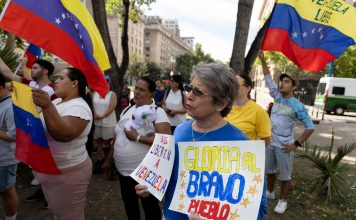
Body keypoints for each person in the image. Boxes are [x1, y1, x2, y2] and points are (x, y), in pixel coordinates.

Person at [136, 64, 267, 219]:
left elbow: (257, 210)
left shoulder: (243, 146)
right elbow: (171, 180)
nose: (189, 95)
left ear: (221, 103)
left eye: (198, 92)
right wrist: (151, 187)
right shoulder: (179, 131)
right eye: (190, 88)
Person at [103, 76, 171, 220]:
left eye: (142, 90)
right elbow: (117, 137)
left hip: (146, 173)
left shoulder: (157, 112)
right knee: (130, 206)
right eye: (137, 88)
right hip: (124, 173)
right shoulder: (127, 109)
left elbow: (166, 142)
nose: (137, 92)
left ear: (152, 94)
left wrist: (137, 138)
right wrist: (109, 160)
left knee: (150, 208)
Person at [31, 67, 93, 219]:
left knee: (70, 216)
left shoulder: (79, 107)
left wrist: (47, 106)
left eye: (60, 78)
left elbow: (64, 135)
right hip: (51, 171)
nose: (55, 82)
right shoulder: (58, 101)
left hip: (68, 174)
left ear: (74, 83)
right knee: (58, 213)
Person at [259, 52, 314, 214]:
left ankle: (283, 200)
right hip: (270, 143)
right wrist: (262, 60)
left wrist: (296, 144)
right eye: (281, 81)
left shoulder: (297, 106)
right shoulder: (276, 96)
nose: (282, 84)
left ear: (294, 86)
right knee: (269, 171)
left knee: (285, 176)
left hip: (284, 147)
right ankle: (270, 191)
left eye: (286, 81)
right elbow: (268, 77)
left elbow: (310, 126)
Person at [0, 57, 56, 205]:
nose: (32, 70)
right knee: (38, 169)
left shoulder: (54, 90)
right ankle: (45, 194)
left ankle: (50, 197)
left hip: (47, 135)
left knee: (46, 167)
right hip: (31, 133)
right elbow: (7, 73)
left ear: (45, 71)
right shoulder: (31, 84)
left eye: (35, 68)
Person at [225, 73, 270, 219]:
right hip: (223, 162)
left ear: (248, 88)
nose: (233, 88)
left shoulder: (259, 112)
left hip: (245, 165)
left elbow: (266, 140)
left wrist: (251, 157)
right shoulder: (224, 108)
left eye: (237, 85)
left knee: (245, 204)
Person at [0, 74, 19, 220]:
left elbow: (14, 135)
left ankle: (11, 218)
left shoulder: (11, 107)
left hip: (5, 159)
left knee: (7, 191)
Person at [92, 75, 117, 161]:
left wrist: (102, 116)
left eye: (107, 82)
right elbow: (93, 105)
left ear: (109, 83)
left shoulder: (112, 94)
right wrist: (95, 115)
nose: (105, 83)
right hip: (97, 121)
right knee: (98, 140)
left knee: (109, 141)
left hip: (108, 121)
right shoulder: (95, 93)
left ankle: (109, 158)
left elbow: (111, 107)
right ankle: (100, 156)